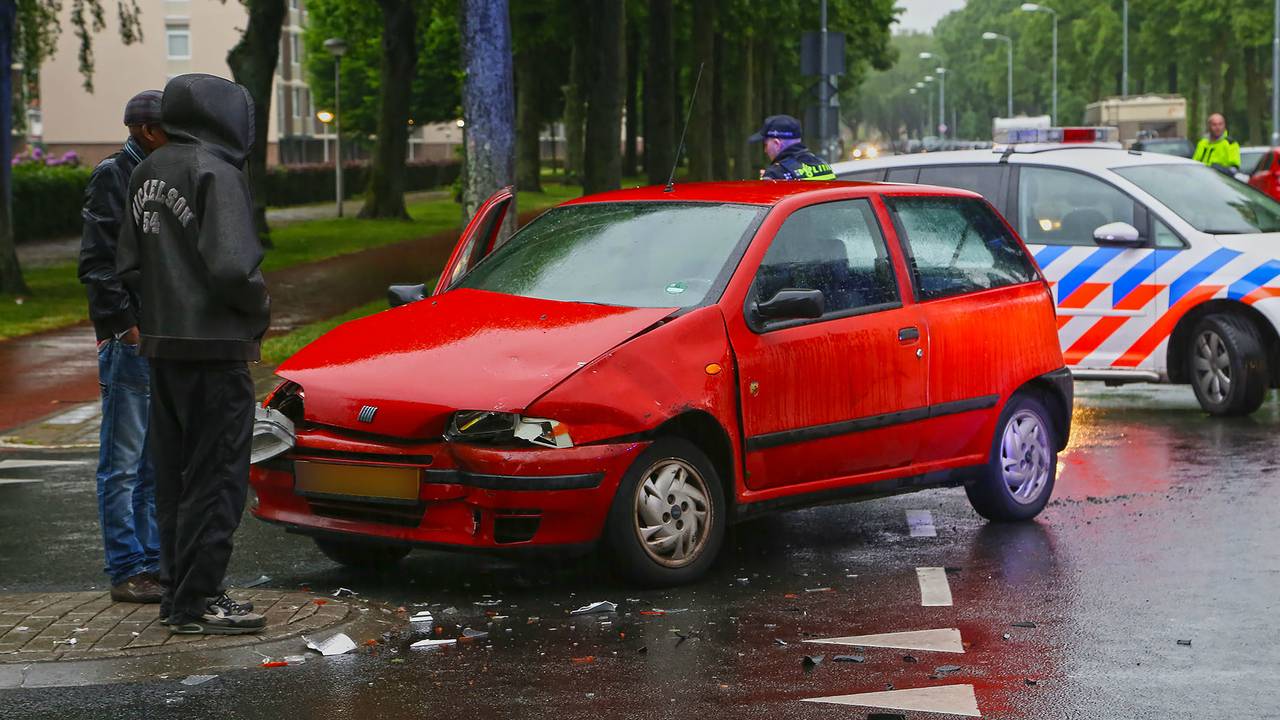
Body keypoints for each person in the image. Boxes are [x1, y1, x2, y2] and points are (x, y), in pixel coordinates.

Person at [117, 73, 270, 635]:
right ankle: (199, 600)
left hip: (164, 347)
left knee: (175, 479)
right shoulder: (216, 171)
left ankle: (176, 594)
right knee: (218, 478)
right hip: (215, 348)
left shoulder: (147, 169)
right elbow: (233, 267)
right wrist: (257, 313)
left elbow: (129, 264)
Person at [77, 90, 167, 604]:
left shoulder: (152, 173)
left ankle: (151, 562)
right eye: (170, 129)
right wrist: (125, 327)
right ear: (148, 131)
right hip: (130, 338)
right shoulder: (115, 175)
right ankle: (127, 567)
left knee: (150, 462)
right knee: (123, 462)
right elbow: (97, 261)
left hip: (154, 333)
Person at [749, 114, 836, 181]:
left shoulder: (775, 174)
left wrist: (768, 179)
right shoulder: (824, 165)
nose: (765, 150)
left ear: (776, 144)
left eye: (766, 145)